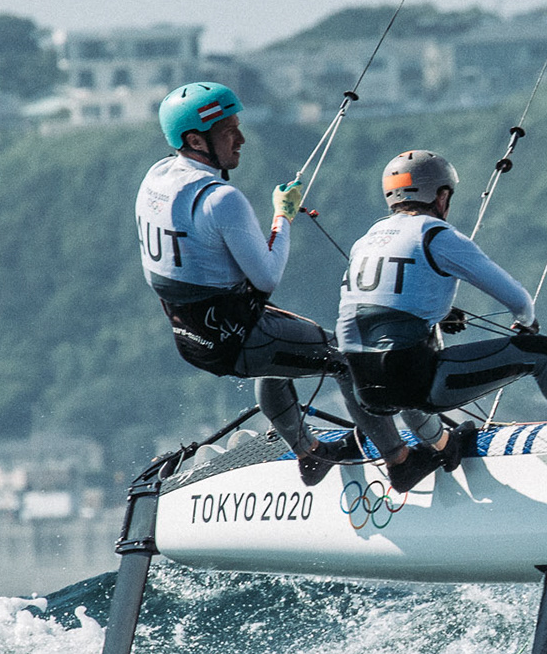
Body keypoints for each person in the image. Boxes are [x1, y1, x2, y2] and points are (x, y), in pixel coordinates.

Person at [336, 149, 547, 493]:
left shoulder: (366, 240)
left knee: (413, 358)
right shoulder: (434, 234)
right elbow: (518, 300)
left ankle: (423, 455)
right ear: (441, 196)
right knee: (539, 353)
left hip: (364, 388)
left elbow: (378, 308)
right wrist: (525, 323)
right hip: (417, 384)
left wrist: (441, 315)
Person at [135, 81, 372, 486]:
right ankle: (395, 459)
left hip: (192, 338)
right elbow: (267, 277)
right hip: (236, 337)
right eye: (229, 131)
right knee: (350, 360)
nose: (241, 139)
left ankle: (311, 453)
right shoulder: (219, 198)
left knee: (281, 360)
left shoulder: (157, 178)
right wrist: (283, 216)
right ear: (195, 140)